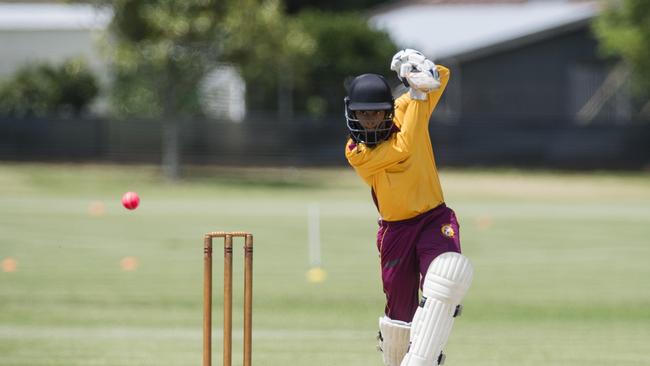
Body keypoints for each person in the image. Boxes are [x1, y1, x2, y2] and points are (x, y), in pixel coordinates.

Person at [344, 49, 474, 366]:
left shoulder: (406, 109)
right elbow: (405, 148)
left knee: (446, 278)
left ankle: (423, 361)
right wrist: (415, 96)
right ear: (351, 114)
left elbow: (440, 77)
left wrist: (418, 71)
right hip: (395, 231)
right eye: (363, 114)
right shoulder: (356, 152)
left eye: (376, 113)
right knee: (399, 315)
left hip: (434, 218)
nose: (370, 120)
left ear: (388, 110)